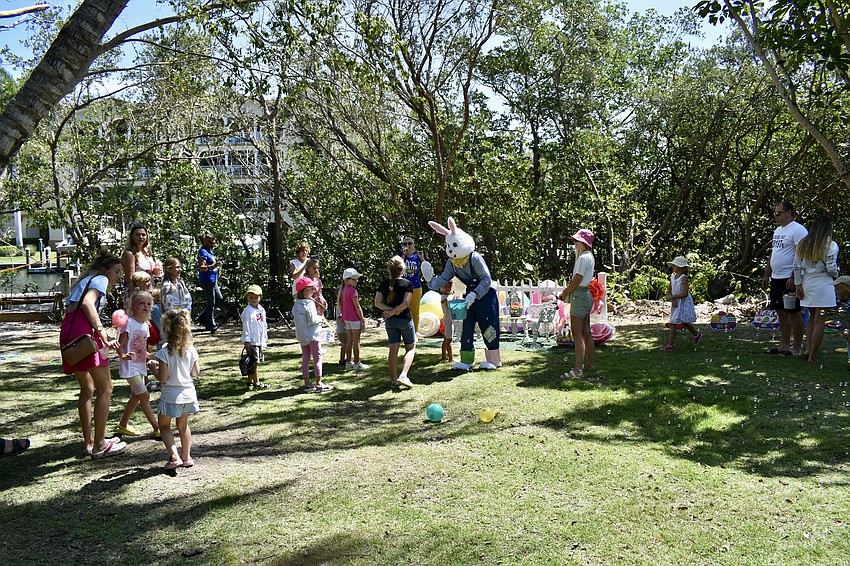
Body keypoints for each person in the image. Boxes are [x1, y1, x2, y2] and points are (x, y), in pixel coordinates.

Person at [59, 253, 127, 458]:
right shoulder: (100, 279)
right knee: (106, 388)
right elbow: (88, 304)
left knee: (87, 389)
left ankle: (90, 441)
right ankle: (100, 444)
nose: (118, 276)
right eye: (117, 271)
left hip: (70, 333)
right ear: (105, 269)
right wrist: (102, 331)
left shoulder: (86, 280)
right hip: (85, 333)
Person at [155, 311, 199, 470]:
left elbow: (163, 378)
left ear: (166, 330)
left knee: (164, 426)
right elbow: (195, 373)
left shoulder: (164, 352)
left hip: (171, 395)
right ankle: (186, 457)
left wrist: (153, 368)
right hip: (188, 394)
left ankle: (174, 457)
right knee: (183, 425)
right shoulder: (191, 350)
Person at [762, 201, 808, 355]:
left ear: (789, 212)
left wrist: (794, 277)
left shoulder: (798, 230)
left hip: (790, 278)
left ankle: (797, 347)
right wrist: (767, 273)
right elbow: (773, 253)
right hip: (776, 277)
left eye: (779, 213)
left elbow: (801, 255)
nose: (776, 216)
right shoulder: (778, 231)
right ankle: (784, 344)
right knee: (780, 312)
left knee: (793, 312)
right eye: (775, 213)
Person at [115, 291, 161, 438]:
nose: (145, 306)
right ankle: (157, 428)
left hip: (139, 366)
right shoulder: (128, 323)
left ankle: (123, 425)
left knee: (136, 396)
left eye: (148, 304)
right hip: (130, 368)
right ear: (133, 306)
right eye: (142, 303)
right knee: (144, 396)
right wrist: (123, 355)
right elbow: (119, 345)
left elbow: (142, 349)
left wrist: (152, 357)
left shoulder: (145, 325)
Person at [794, 216, 839, 363]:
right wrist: (837, 275)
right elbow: (831, 268)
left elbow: (797, 266)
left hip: (808, 281)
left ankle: (808, 349)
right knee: (820, 320)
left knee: (812, 317)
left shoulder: (803, 244)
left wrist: (798, 284)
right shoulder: (830, 245)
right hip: (823, 284)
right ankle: (812, 355)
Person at [559, 229, 596, 379]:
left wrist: (565, 292)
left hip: (579, 295)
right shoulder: (589, 256)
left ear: (582, 243)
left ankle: (577, 370)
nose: (574, 243)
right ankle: (590, 363)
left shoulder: (582, 258)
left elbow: (577, 279)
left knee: (577, 334)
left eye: (576, 241)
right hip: (586, 294)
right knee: (586, 331)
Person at [375, 256, 415, 388]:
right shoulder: (407, 284)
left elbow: (378, 303)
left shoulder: (384, 284)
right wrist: (395, 310)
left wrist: (390, 311)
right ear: (402, 270)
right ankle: (403, 375)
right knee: (411, 347)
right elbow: (405, 303)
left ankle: (393, 380)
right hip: (404, 319)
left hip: (390, 321)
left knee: (393, 349)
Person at [293, 277, 333, 392]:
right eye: (311, 288)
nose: (313, 290)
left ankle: (307, 382)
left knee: (305, 357)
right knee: (317, 357)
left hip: (301, 335)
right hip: (312, 335)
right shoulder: (309, 303)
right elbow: (312, 320)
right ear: (306, 291)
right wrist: (320, 318)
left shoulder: (296, 304)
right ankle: (318, 382)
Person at [661, 256, 701, 350]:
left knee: (683, 320)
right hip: (676, 302)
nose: (673, 267)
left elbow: (685, 293)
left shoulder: (683, 278)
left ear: (681, 267)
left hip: (683, 302)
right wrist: (671, 299)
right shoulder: (672, 278)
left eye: (675, 265)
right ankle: (672, 344)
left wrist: (673, 297)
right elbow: (669, 291)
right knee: (673, 321)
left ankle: (671, 344)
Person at [122, 223, 161, 308]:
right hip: (137, 294)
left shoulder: (146, 251)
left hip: (149, 291)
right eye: (137, 235)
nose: (141, 237)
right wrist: (138, 297)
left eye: (143, 235)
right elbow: (130, 280)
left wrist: (155, 271)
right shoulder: (129, 253)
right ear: (132, 236)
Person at [158, 257, 192, 347]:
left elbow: (187, 298)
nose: (179, 270)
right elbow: (167, 304)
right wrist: (176, 314)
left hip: (183, 315)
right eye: (176, 267)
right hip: (173, 318)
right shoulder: (167, 285)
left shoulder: (180, 282)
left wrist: (186, 311)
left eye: (179, 267)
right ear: (169, 269)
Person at [340, 267, 369, 370]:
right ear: (347, 280)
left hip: (347, 319)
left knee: (349, 340)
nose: (356, 281)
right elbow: (357, 307)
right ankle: (356, 363)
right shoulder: (353, 291)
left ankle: (348, 362)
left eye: (356, 279)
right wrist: (362, 319)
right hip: (354, 319)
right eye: (353, 279)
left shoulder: (343, 291)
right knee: (356, 341)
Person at [240, 285, 269, 389]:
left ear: (260, 297)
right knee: (254, 362)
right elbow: (246, 327)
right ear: (247, 298)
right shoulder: (248, 311)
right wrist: (247, 340)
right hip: (252, 341)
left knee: (253, 361)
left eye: (256, 297)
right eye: (251, 297)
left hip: (259, 339)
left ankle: (250, 381)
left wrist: (264, 339)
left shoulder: (261, 310)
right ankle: (256, 382)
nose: (253, 300)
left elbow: (263, 325)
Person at [198, 233, 222, 334]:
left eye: (214, 243)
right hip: (207, 280)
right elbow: (201, 267)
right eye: (211, 243)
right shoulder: (203, 251)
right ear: (205, 241)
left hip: (213, 280)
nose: (213, 245)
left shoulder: (209, 251)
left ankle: (203, 318)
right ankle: (210, 325)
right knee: (211, 301)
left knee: (219, 299)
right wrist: (212, 266)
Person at [400, 236, 425, 333]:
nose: (407, 246)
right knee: (402, 309)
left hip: (416, 286)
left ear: (413, 246)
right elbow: (398, 267)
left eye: (409, 243)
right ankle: (403, 332)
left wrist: (422, 258)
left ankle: (414, 333)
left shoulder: (417, 257)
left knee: (415, 311)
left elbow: (426, 268)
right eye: (405, 244)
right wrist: (403, 254)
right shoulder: (401, 256)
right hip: (403, 287)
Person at [439, 280, 455, 362]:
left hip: (448, 320)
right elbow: (447, 302)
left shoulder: (449, 296)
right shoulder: (444, 297)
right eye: (446, 286)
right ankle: (451, 358)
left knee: (446, 339)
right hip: (448, 320)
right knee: (449, 340)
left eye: (449, 286)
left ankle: (444, 356)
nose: (448, 288)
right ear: (442, 288)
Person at [335, 283, 349, 366]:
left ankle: (342, 359)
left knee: (344, 345)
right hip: (343, 330)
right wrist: (347, 324)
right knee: (346, 344)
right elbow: (341, 317)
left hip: (342, 330)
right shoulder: (340, 305)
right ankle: (346, 359)